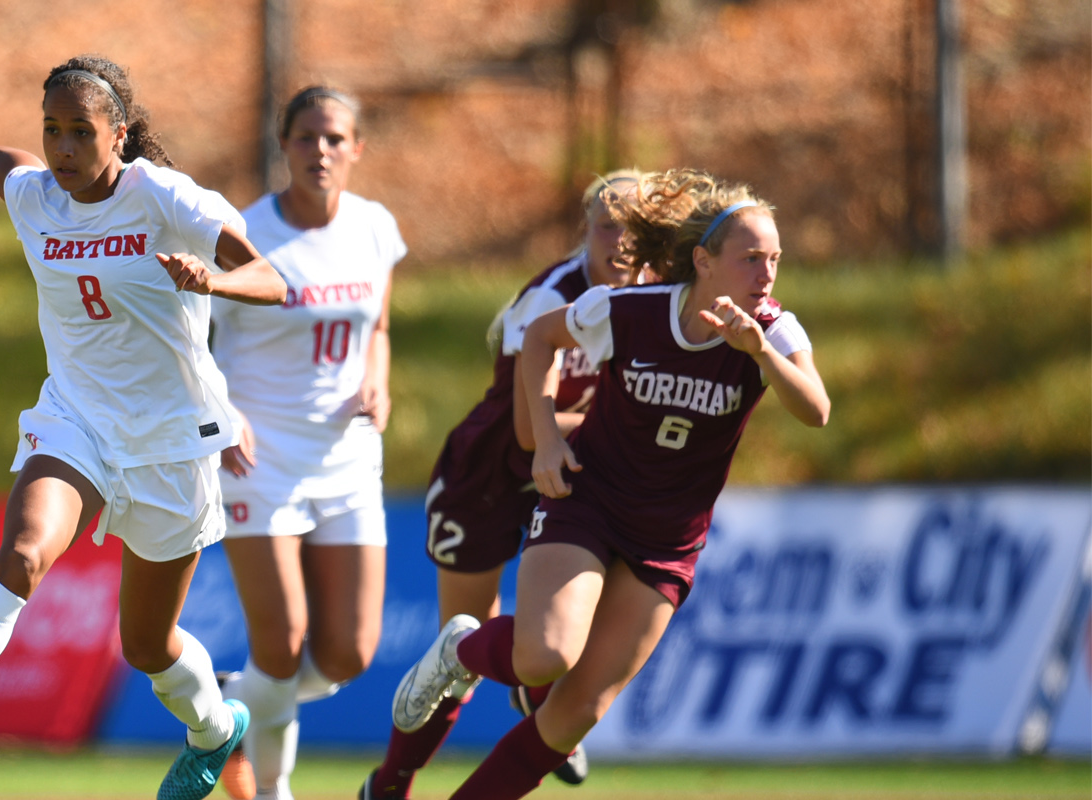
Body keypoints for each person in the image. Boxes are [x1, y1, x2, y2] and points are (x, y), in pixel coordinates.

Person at [0, 54, 288, 800]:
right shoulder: (39, 195)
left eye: (79, 132)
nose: (61, 149)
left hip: (169, 441)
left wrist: (213, 279)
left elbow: (273, 279)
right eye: (52, 130)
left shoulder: (164, 198)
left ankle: (215, 730)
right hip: (76, 421)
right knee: (23, 553)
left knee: (148, 647)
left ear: (119, 135)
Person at [391, 168, 829, 799]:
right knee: (544, 658)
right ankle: (461, 650)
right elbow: (541, 339)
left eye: (775, 260)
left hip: (669, 537)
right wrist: (545, 437)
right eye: (751, 259)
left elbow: (815, 409)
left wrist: (759, 352)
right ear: (703, 262)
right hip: (589, 506)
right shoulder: (631, 310)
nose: (766, 276)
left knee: (575, 714)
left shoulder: (774, 328)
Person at [362, 169, 645, 799]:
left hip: (577, 475)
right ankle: (390, 784)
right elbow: (526, 430)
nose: (623, 242)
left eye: (636, 229)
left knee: (555, 643)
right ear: (585, 232)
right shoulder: (553, 297)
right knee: (455, 651)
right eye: (608, 225)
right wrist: (628, 423)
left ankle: (540, 703)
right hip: (493, 472)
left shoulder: (657, 297)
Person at [208, 86, 404, 800]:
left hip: (347, 454)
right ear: (283, 145)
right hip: (258, 458)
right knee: (283, 646)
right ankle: (271, 791)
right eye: (306, 137)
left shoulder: (376, 227)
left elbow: (376, 328)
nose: (320, 150)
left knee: (348, 653)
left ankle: (230, 701)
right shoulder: (244, 232)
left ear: (356, 149)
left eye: (334, 138)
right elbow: (187, 341)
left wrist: (377, 382)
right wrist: (222, 411)